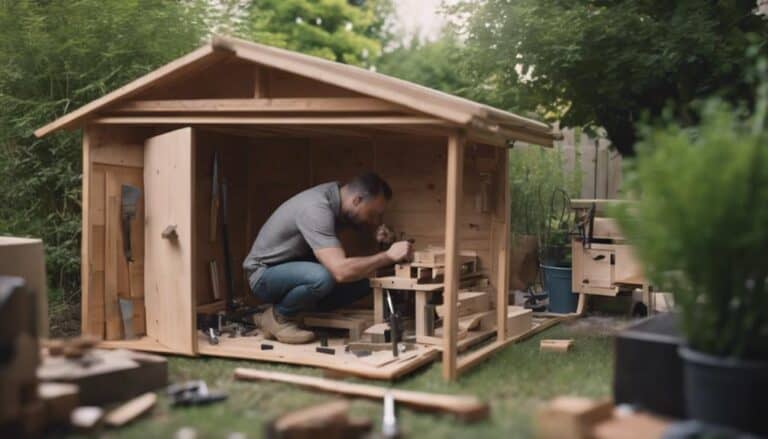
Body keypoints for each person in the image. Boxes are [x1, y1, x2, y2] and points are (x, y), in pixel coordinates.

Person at [243, 172, 413, 344]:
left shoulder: (339, 197)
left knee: (368, 280)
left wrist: (379, 238)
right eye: (372, 214)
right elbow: (340, 270)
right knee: (322, 277)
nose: (374, 221)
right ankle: (276, 318)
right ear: (357, 200)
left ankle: (301, 312)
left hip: (293, 271)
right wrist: (388, 255)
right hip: (263, 275)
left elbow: (347, 256)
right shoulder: (316, 208)